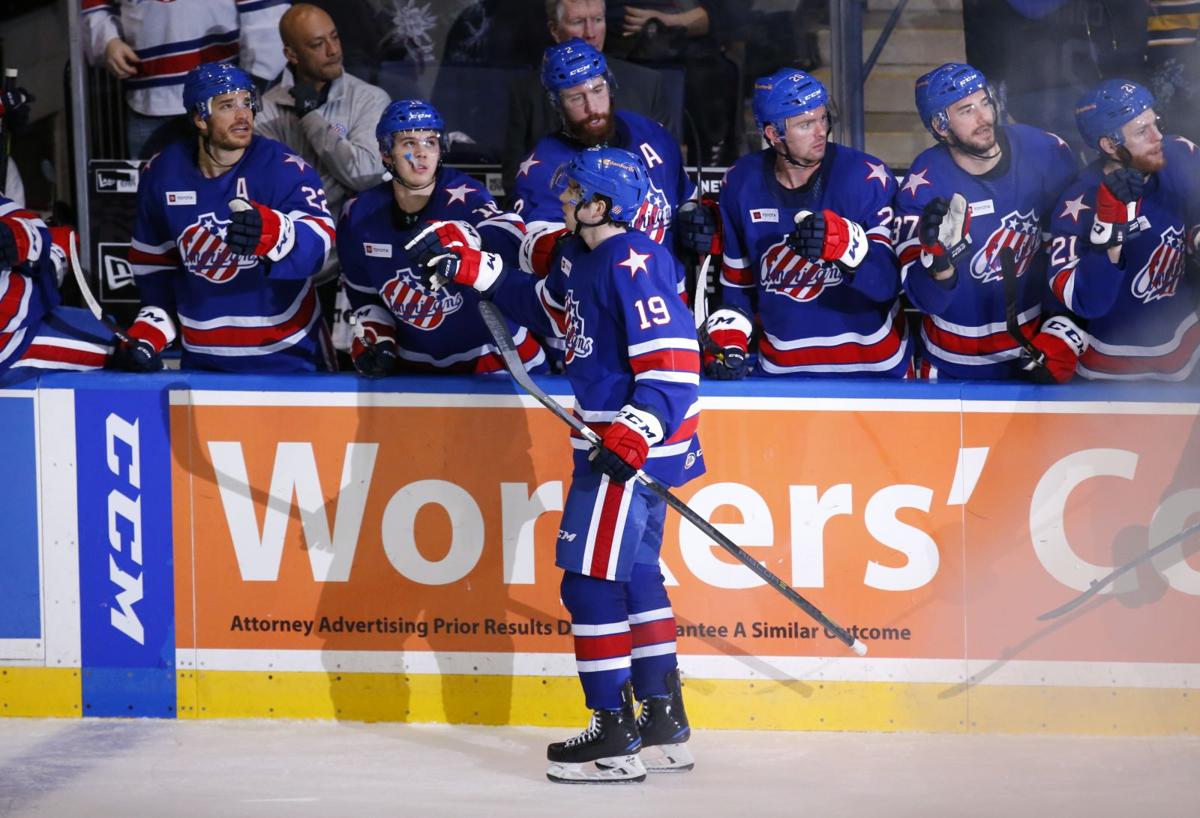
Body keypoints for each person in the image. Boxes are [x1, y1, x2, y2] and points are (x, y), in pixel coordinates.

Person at [412, 146, 702, 783]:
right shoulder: (577, 255)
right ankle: (662, 721)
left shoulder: (637, 262)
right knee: (634, 575)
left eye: (575, 193)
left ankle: (612, 737)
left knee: (589, 583)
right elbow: (545, 308)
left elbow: (675, 364)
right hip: (617, 441)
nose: (563, 200)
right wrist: (476, 269)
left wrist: (636, 432)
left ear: (602, 205)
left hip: (626, 448)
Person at [122, 62, 336, 373]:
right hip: (204, 361)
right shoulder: (162, 174)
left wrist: (278, 233)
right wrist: (153, 327)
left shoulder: (283, 167)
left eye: (247, 103)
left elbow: (319, 247)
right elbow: (154, 266)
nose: (243, 115)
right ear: (199, 118)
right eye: (227, 106)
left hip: (289, 355)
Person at [703, 68, 909, 379]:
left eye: (823, 118)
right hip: (782, 375)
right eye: (805, 124)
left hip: (875, 372)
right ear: (773, 134)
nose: (821, 132)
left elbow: (889, 285)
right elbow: (738, 288)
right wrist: (730, 341)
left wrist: (848, 249)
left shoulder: (866, 177)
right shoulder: (741, 183)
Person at [895, 62, 1083, 381]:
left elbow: (1072, 256)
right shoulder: (924, 184)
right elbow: (923, 298)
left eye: (985, 102)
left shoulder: (1044, 152)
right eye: (966, 110)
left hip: (1034, 354)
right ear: (941, 126)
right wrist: (939, 264)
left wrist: (1064, 330)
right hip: (949, 364)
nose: (984, 118)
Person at [337, 99, 544, 376]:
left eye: (430, 142)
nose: (422, 153)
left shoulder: (466, 195)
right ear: (387, 153)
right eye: (409, 143)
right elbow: (364, 297)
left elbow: (513, 239)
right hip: (414, 365)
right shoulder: (359, 216)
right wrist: (376, 334)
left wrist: (470, 237)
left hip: (492, 357)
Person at [510, 38, 706, 300]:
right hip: (597, 309)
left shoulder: (652, 135)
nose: (592, 109)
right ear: (556, 102)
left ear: (610, 85)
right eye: (576, 98)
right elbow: (535, 253)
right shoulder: (543, 168)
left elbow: (685, 202)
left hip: (669, 297)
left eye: (598, 90)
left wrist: (697, 221)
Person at [1046, 79, 1200, 381]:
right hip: (1110, 370)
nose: (1159, 137)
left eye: (1155, 123)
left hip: (1188, 351)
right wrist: (1108, 235)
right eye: (1142, 131)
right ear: (1109, 144)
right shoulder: (1077, 204)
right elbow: (1085, 302)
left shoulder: (1179, 155)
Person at [502, 0, 676, 193]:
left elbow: (668, 172)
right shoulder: (526, 92)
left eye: (598, 20)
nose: (590, 33)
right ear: (554, 30)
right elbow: (514, 184)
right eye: (578, 22)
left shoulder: (646, 84)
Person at [81, 0, 289, 159]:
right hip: (147, 102)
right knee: (155, 201)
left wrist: (247, 92)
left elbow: (269, 24)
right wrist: (107, 40)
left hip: (220, 101)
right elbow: (92, 6)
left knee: (229, 197)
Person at [256, 4, 390, 222]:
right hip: (291, 246)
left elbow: (364, 175)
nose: (333, 50)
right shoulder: (265, 111)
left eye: (335, 37)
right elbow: (274, 190)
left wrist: (310, 117)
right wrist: (340, 178)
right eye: (318, 44)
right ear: (292, 54)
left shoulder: (370, 99)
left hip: (353, 245)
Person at [0, 196, 114, 372]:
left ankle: (55, 256)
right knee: (119, 348)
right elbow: (13, 309)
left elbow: (17, 218)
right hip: (11, 338)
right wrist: (50, 266)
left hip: (20, 309)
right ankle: (56, 258)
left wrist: (22, 235)